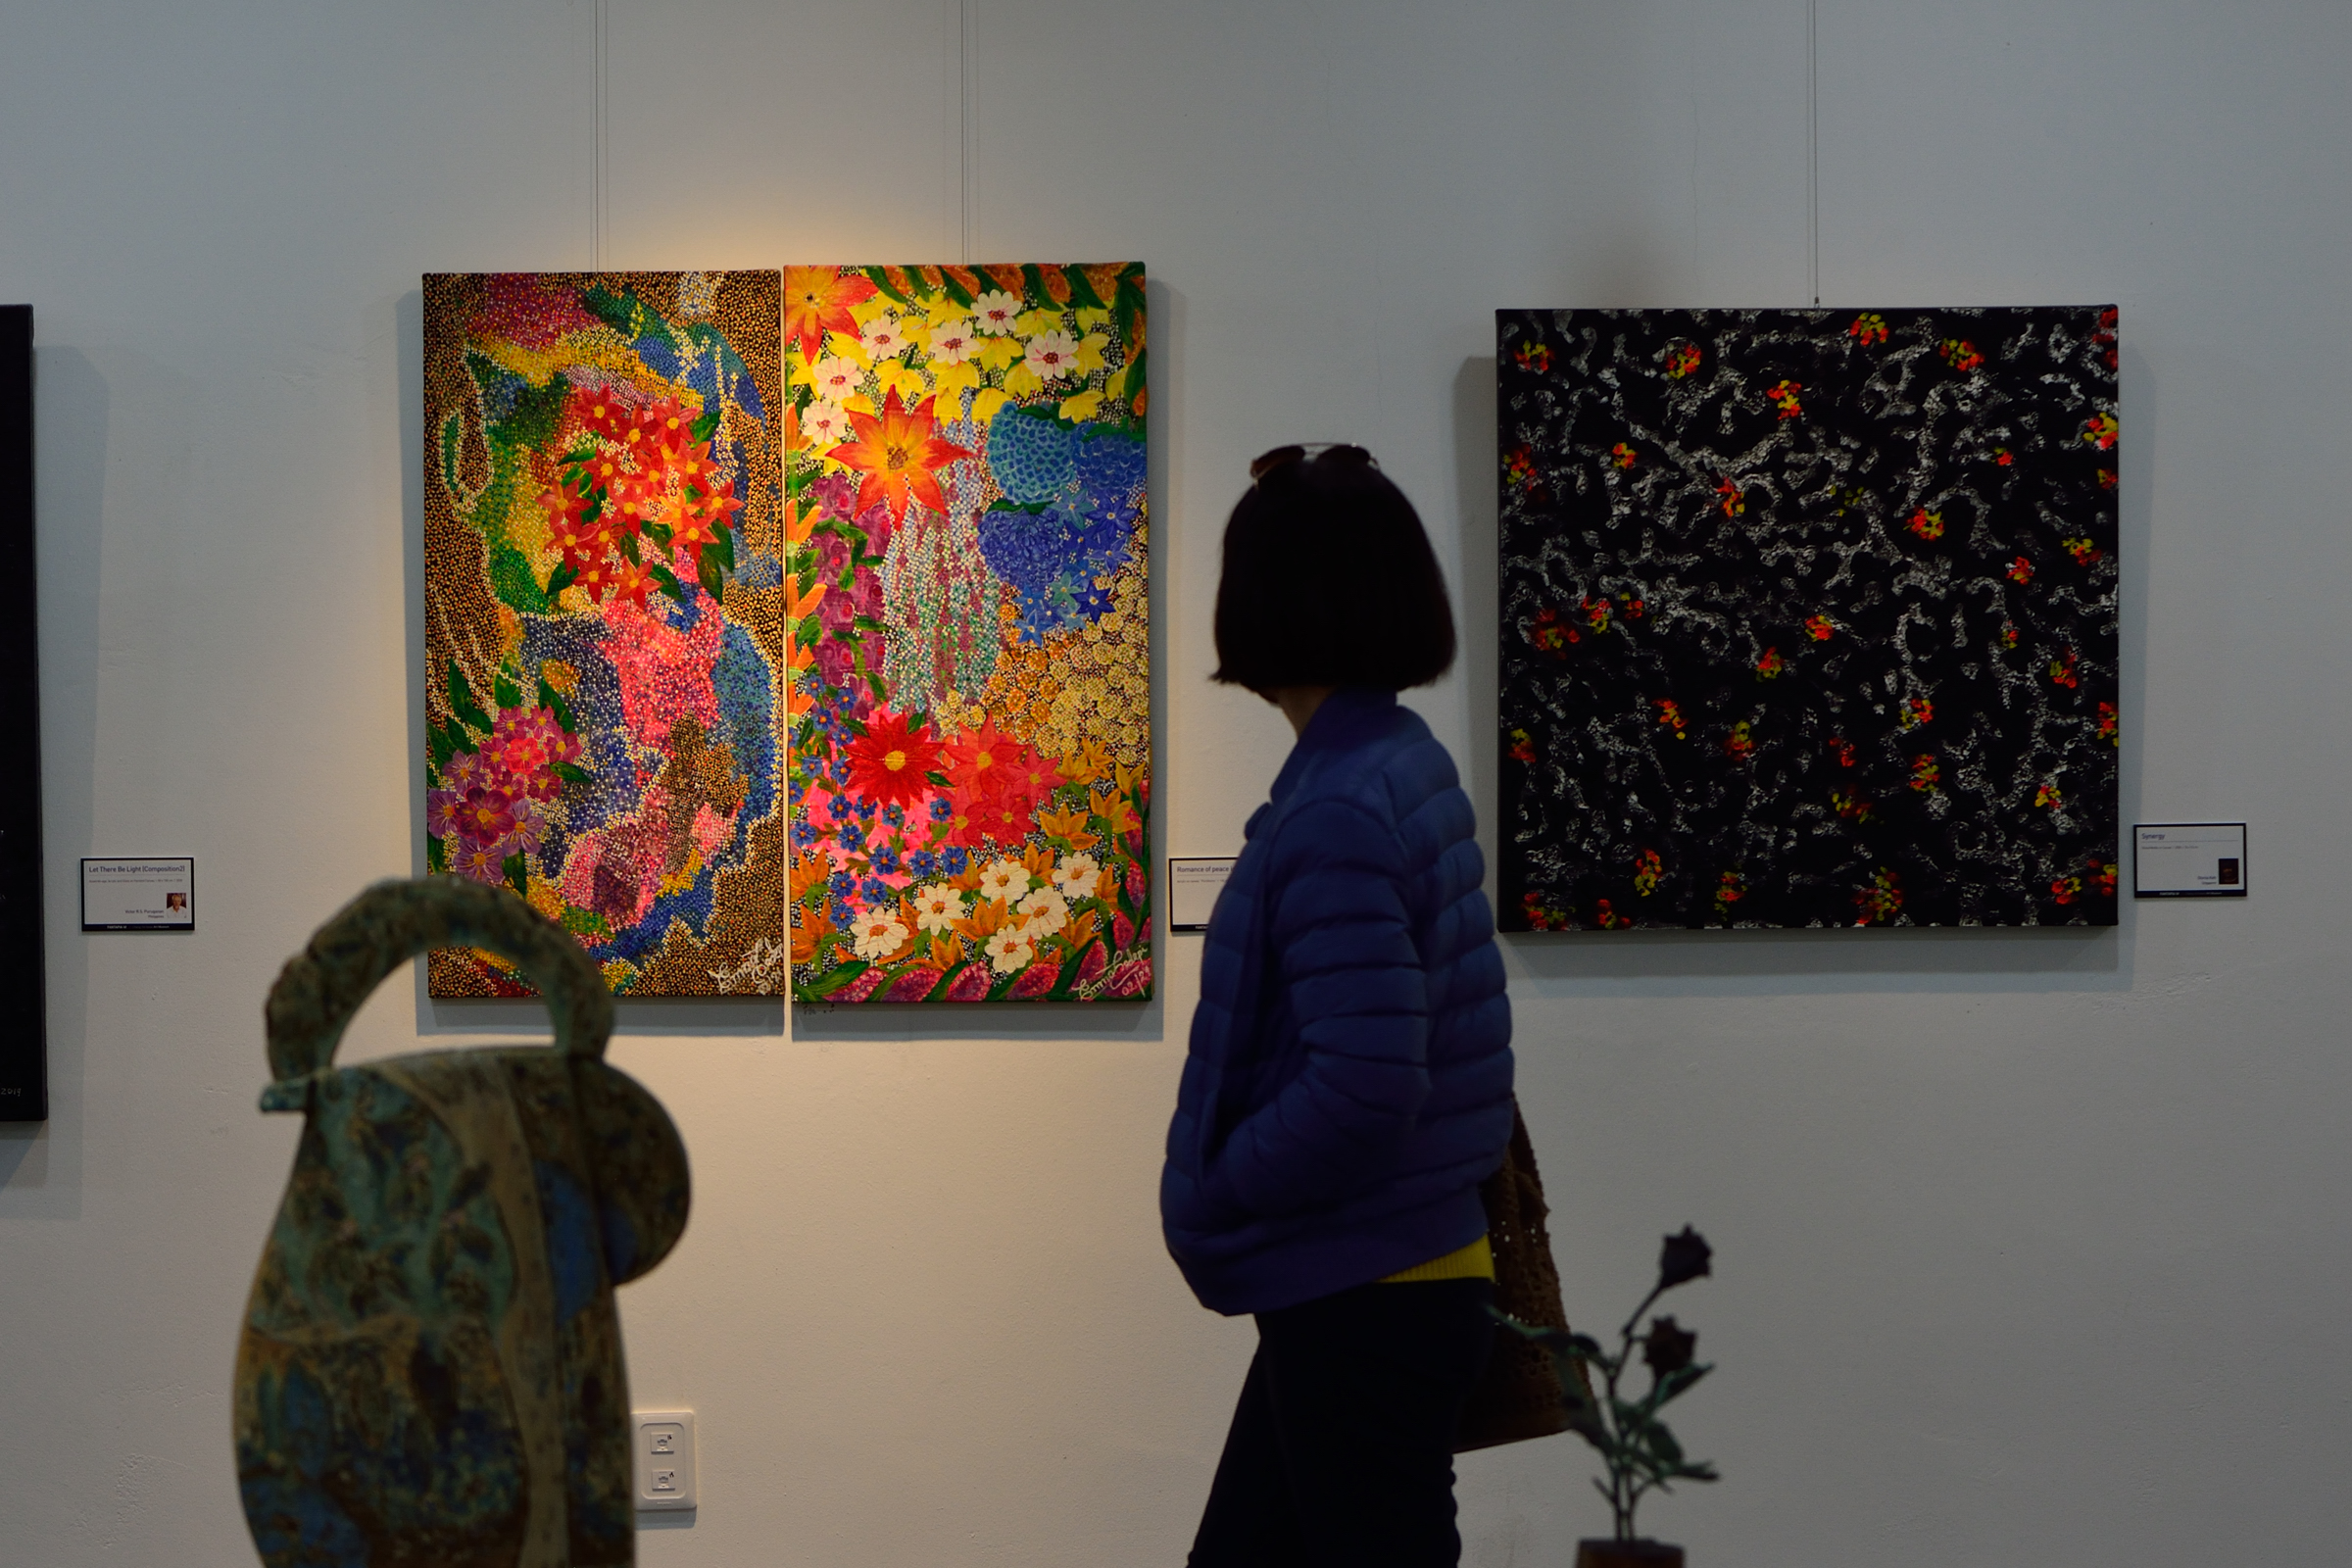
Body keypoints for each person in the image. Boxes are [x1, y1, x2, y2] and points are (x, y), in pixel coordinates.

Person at [1162, 443, 1515, 1567]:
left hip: (1367, 1288)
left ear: (1267, 601)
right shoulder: (1394, 761)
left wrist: (1225, 1182)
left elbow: (1364, 1083)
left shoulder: (1338, 807)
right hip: (1385, 1279)